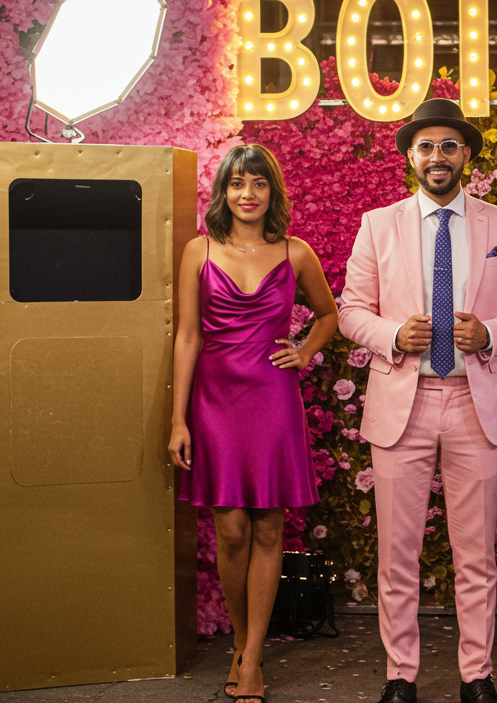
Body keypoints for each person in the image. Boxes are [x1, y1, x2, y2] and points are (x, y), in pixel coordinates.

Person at [339, 99, 497, 703]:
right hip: (404, 403)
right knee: (397, 555)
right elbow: (350, 310)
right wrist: (393, 334)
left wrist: (491, 334)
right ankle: (401, 677)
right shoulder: (379, 224)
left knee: (476, 555)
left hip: (474, 402)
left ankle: (477, 677)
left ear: (466, 155)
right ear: (411, 157)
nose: (437, 156)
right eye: (426, 146)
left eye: (449, 145)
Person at [167, 144, 338, 703]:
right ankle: (242, 643)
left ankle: (253, 658)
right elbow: (187, 336)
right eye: (238, 183)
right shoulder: (198, 250)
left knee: (268, 528)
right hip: (214, 401)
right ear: (224, 191)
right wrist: (178, 420)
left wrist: (304, 351)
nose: (248, 194)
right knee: (232, 531)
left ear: (272, 192)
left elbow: (329, 315)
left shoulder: (296, 252)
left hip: (272, 397)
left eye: (259, 184)